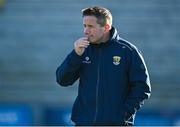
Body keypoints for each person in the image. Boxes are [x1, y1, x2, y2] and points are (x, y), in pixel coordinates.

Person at [56, 6, 151, 126]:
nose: (85, 31)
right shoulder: (82, 50)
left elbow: (142, 88)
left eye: (90, 26)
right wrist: (76, 55)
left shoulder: (128, 51)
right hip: (84, 123)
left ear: (106, 27)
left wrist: (123, 114)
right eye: (84, 26)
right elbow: (62, 80)